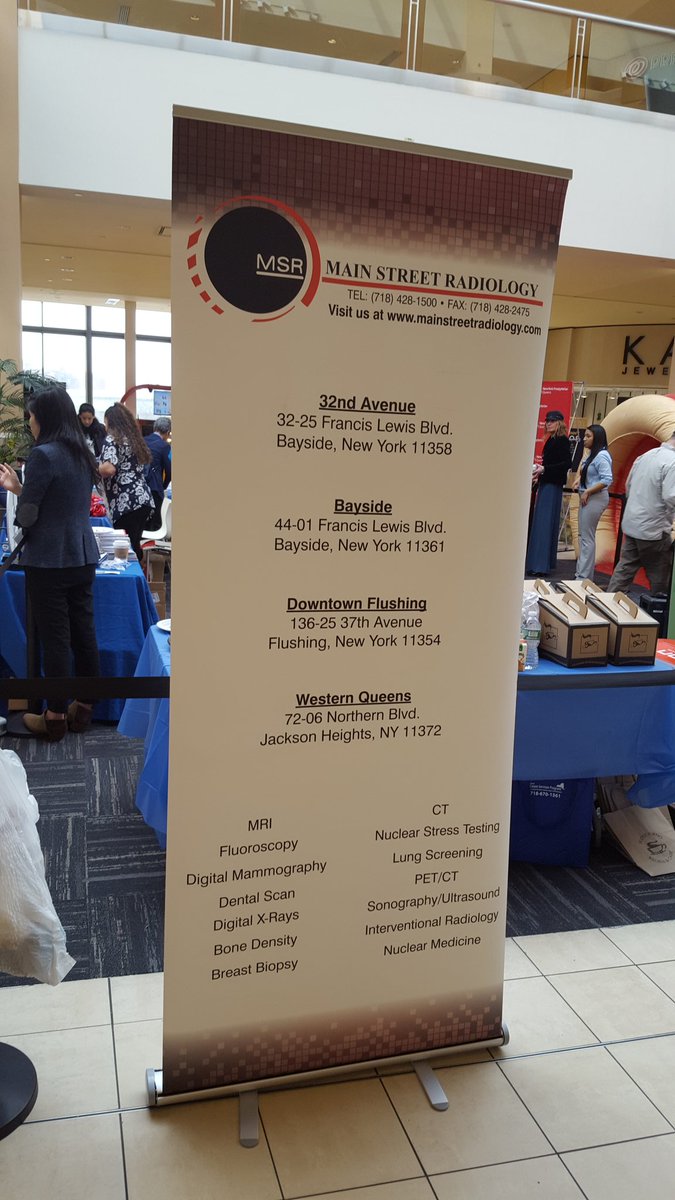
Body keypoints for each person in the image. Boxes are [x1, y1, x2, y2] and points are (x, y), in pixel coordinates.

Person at [0, 386, 100, 740]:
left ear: (43, 418)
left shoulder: (43, 455)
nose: (29, 422)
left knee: (55, 638)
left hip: (48, 560)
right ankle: (83, 709)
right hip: (83, 555)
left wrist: (17, 489)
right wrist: (21, 489)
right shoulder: (82, 453)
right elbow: (61, 503)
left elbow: (28, 515)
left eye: (31, 416)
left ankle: (55, 716)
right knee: (84, 634)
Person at [607, 430, 675, 595]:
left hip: (632, 523)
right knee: (660, 577)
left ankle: (607, 602)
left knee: (624, 569)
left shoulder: (645, 456)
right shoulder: (672, 462)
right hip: (654, 529)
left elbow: (628, 486)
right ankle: (659, 609)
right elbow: (671, 496)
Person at [99, 403, 154, 563]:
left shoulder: (112, 439)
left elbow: (109, 468)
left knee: (124, 550)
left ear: (111, 422)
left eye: (106, 422)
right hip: (142, 499)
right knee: (134, 546)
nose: (105, 427)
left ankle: (131, 577)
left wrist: (94, 467)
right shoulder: (134, 440)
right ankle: (140, 575)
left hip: (126, 502)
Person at [525, 410, 572, 577]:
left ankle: (539, 564)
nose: (548, 423)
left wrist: (544, 469)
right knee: (542, 524)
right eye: (547, 421)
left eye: (552, 421)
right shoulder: (552, 440)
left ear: (559, 422)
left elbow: (567, 463)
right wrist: (541, 473)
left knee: (543, 524)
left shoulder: (562, 440)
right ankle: (539, 563)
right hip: (548, 483)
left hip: (552, 485)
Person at [574, 424, 613, 581]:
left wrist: (588, 491)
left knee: (587, 538)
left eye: (588, 436)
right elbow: (588, 473)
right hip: (587, 496)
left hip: (594, 498)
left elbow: (607, 479)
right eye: (585, 435)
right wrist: (579, 480)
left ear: (597, 438)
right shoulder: (592, 455)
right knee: (583, 536)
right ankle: (582, 575)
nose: (584, 439)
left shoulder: (602, 455)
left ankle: (583, 577)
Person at [143, 416, 171, 530]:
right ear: (168, 432)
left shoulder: (142, 441)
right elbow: (170, 470)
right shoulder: (165, 446)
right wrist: (163, 486)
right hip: (155, 487)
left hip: (140, 486)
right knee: (155, 522)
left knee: (142, 521)